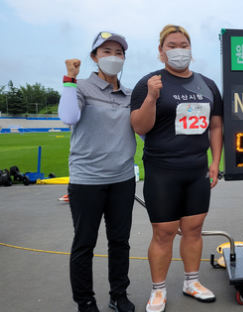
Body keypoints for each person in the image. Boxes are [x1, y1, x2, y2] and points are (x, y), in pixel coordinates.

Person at [130, 25, 223, 312]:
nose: (179, 50)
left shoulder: (207, 84)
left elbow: (217, 125)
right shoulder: (150, 82)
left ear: (191, 50)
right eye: (172, 45)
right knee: (164, 233)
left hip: (196, 170)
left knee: (194, 229)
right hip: (162, 171)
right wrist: (151, 98)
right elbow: (138, 126)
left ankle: (191, 281)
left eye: (184, 44)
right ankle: (158, 290)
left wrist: (215, 162)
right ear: (161, 51)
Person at [58, 31, 136, 312]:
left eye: (118, 52)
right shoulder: (80, 88)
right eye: (106, 52)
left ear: (124, 58)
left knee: (119, 242)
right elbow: (68, 117)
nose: (113, 57)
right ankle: (85, 301)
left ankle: (119, 295)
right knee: (84, 244)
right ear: (94, 57)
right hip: (87, 181)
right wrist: (69, 78)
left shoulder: (130, 94)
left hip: (123, 180)